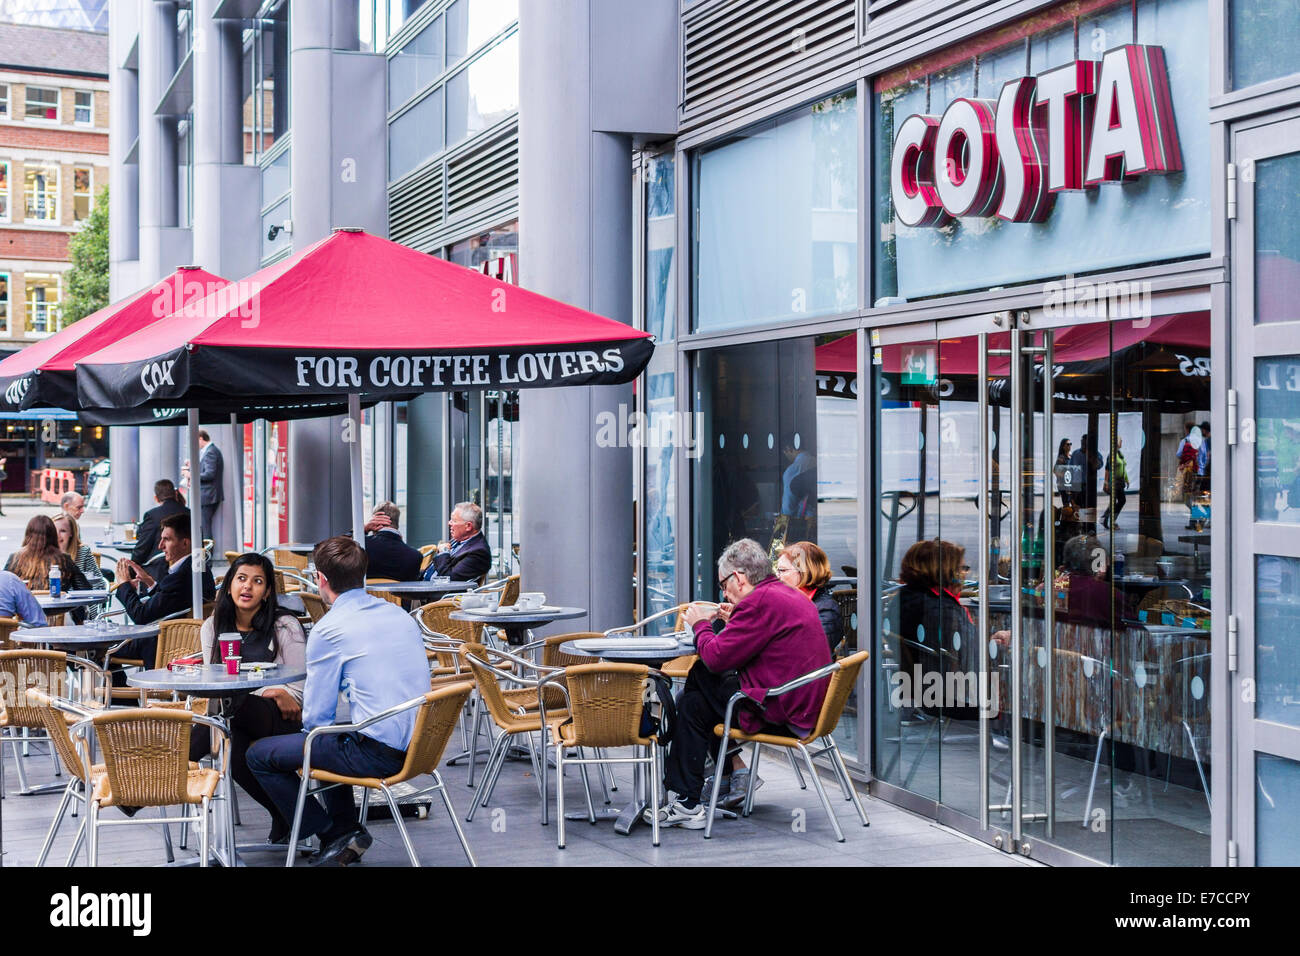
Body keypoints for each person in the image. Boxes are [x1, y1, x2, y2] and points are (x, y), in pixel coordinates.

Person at [246, 536, 430, 866]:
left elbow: (316, 719)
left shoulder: (329, 629)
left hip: (380, 755)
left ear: (321, 579)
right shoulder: (399, 615)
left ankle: (330, 833)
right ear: (363, 574)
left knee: (259, 754)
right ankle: (346, 830)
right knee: (333, 740)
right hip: (422, 746)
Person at [651, 538, 831, 829]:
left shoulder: (760, 603)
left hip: (780, 709)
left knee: (699, 679)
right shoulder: (782, 593)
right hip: (801, 704)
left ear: (739, 577)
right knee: (694, 701)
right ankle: (691, 798)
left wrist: (700, 624)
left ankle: (689, 796)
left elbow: (715, 657)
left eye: (723, 584)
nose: (724, 591)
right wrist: (737, 619)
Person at [193, 553, 307, 844]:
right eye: (241, 579)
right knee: (235, 743)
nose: (248, 587)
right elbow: (214, 683)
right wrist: (266, 690)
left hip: (284, 717)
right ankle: (284, 815)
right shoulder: (213, 627)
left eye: (257, 582)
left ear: (267, 591)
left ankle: (151, 775)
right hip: (237, 716)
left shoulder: (284, 626)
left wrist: (277, 692)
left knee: (227, 716)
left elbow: (297, 690)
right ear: (229, 584)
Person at [890, 539, 993, 721]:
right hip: (955, 695)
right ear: (946, 571)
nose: (964, 574)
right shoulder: (941, 609)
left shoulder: (904, 598)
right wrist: (997, 646)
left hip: (926, 689)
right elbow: (972, 655)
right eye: (961, 569)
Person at [111, 513, 216, 673]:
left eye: (166, 539)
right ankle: (122, 696)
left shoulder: (180, 578)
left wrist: (124, 584)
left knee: (100, 646)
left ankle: (121, 697)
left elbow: (141, 615)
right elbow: (171, 602)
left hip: (160, 644)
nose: (160, 546)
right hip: (178, 639)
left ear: (185, 543)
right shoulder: (198, 569)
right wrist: (150, 583)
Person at [5, 515, 91, 621]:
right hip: (59, 620)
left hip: (24, 622)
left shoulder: (15, 558)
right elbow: (85, 590)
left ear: (28, 534)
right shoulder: (64, 559)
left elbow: (4, 589)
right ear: (53, 535)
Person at [775, 541, 843, 653]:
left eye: (782, 570)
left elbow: (809, 650)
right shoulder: (790, 603)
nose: (777, 577)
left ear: (804, 572)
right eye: (777, 571)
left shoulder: (826, 609)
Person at [53, 513, 106, 619]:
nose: (57, 535)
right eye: (54, 531)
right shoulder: (43, 554)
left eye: (63, 531)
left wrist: (92, 617)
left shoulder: (82, 552)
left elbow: (99, 585)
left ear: (71, 533)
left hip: (78, 610)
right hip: (51, 609)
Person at [424, 501, 491, 582]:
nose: (449, 523)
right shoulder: (460, 540)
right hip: (424, 584)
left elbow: (448, 578)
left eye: (454, 521)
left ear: (468, 526)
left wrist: (443, 552)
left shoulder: (479, 552)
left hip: (436, 593)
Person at [130, 479, 189, 567]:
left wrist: (131, 569)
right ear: (175, 494)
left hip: (159, 569)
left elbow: (142, 548)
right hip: (190, 566)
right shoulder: (190, 513)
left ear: (156, 498)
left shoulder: (152, 515)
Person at [363, 501, 423, 581]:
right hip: (398, 594)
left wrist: (364, 529)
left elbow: (341, 546)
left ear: (374, 521)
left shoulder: (361, 547)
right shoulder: (415, 557)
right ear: (397, 523)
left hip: (363, 593)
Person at [196, 429, 223, 546]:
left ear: (201, 438)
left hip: (208, 495)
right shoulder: (211, 451)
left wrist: (192, 474)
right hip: (209, 495)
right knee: (204, 525)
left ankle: (206, 557)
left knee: (205, 527)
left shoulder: (210, 452)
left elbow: (209, 474)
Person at [1101, 436, 1129, 530]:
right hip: (1114, 482)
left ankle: (1105, 518)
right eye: (1120, 440)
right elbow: (1107, 469)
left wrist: (1126, 479)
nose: (1122, 442)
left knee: (1118, 501)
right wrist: (1106, 483)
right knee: (1119, 501)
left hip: (1120, 482)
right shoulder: (1112, 455)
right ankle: (1111, 520)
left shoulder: (1119, 454)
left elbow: (1123, 467)